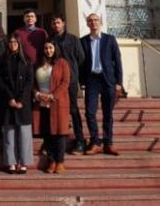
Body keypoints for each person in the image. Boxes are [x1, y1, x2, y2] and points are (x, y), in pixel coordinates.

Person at [80, 13, 123, 156]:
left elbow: (117, 62)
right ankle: (95, 142)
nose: (93, 22)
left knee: (107, 113)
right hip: (91, 80)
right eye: (90, 20)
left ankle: (108, 143)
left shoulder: (110, 39)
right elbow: (81, 63)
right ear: (87, 24)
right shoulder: (83, 41)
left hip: (108, 80)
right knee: (90, 112)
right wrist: (81, 81)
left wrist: (119, 82)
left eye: (96, 20)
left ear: (100, 22)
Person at [0, 33, 34, 174]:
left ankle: (24, 162)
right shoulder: (2, 61)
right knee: (9, 134)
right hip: (8, 102)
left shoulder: (27, 61)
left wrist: (21, 100)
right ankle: (11, 162)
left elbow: (29, 82)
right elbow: (0, 81)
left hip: (23, 103)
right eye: (10, 42)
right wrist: (10, 98)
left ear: (19, 44)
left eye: (15, 42)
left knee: (24, 134)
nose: (13, 44)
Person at [32, 40, 70, 174]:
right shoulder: (38, 64)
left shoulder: (62, 63)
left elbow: (65, 82)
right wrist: (36, 93)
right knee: (47, 133)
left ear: (55, 48)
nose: (48, 50)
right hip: (41, 102)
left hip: (57, 103)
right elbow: (33, 83)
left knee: (59, 133)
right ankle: (51, 160)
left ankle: (60, 162)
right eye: (46, 48)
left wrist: (53, 96)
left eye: (50, 48)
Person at [51, 14, 86, 154]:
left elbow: (81, 59)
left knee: (72, 109)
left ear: (63, 23)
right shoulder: (51, 40)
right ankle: (58, 142)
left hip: (70, 81)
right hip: (55, 83)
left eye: (58, 22)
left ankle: (80, 141)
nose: (56, 25)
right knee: (57, 110)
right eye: (53, 23)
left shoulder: (73, 39)